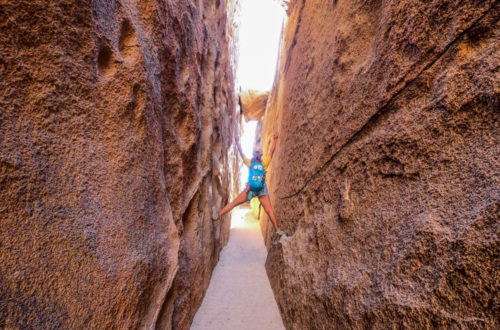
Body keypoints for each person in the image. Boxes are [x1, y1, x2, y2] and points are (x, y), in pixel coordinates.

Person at [213, 131, 285, 236]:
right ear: (261, 155)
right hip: (261, 190)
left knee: (233, 204)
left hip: (250, 190)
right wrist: (275, 139)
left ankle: (217, 215)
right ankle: (278, 231)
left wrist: (237, 141)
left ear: (254, 154)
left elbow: (241, 153)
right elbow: (271, 152)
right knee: (269, 211)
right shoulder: (264, 163)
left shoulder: (250, 162)